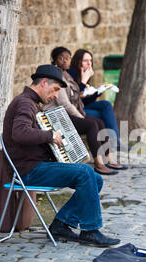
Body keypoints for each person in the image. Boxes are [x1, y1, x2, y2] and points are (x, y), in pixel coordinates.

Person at [2, 64, 121, 247]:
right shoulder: (25, 103)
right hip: (27, 170)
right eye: (55, 89)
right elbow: (20, 133)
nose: (56, 95)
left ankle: (61, 224)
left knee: (96, 179)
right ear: (43, 83)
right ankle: (90, 231)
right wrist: (51, 135)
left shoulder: (32, 103)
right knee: (85, 172)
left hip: (35, 166)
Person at [44, 47, 127, 175]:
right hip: (59, 116)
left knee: (99, 122)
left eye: (67, 58)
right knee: (91, 124)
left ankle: (108, 158)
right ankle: (98, 163)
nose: (65, 61)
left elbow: (76, 97)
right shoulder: (56, 76)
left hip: (67, 114)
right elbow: (65, 103)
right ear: (55, 60)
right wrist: (81, 117)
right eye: (61, 58)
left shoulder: (66, 75)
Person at [68, 49, 131, 152]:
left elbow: (85, 101)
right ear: (78, 61)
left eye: (90, 60)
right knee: (102, 115)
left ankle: (116, 141)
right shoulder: (72, 74)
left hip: (82, 106)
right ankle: (113, 142)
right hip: (74, 110)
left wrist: (98, 92)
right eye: (85, 61)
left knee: (106, 104)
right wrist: (84, 81)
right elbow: (75, 99)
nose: (89, 63)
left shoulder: (85, 73)